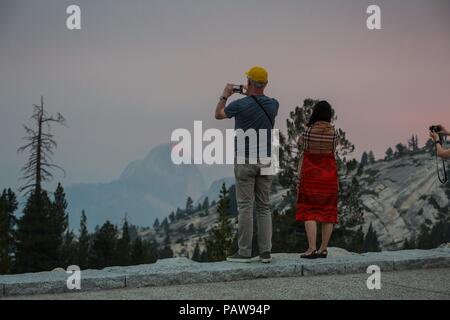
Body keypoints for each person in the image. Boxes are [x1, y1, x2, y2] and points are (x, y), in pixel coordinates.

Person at [215, 66, 279, 263]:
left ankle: (244, 252)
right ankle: (265, 252)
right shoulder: (274, 105)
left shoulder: (239, 105)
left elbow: (218, 114)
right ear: (266, 84)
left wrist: (225, 95)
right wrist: (250, 90)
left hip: (245, 159)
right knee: (264, 206)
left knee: (245, 207)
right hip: (267, 159)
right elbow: (260, 98)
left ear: (249, 82)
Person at [296, 101, 339, 259]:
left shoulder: (308, 132)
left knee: (309, 211)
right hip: (329, 176)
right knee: (328, 212)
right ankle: (323, 249)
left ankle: (311, 248)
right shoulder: (334, 133)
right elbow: (334, 148)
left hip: (310, 176)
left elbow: (299, 143)